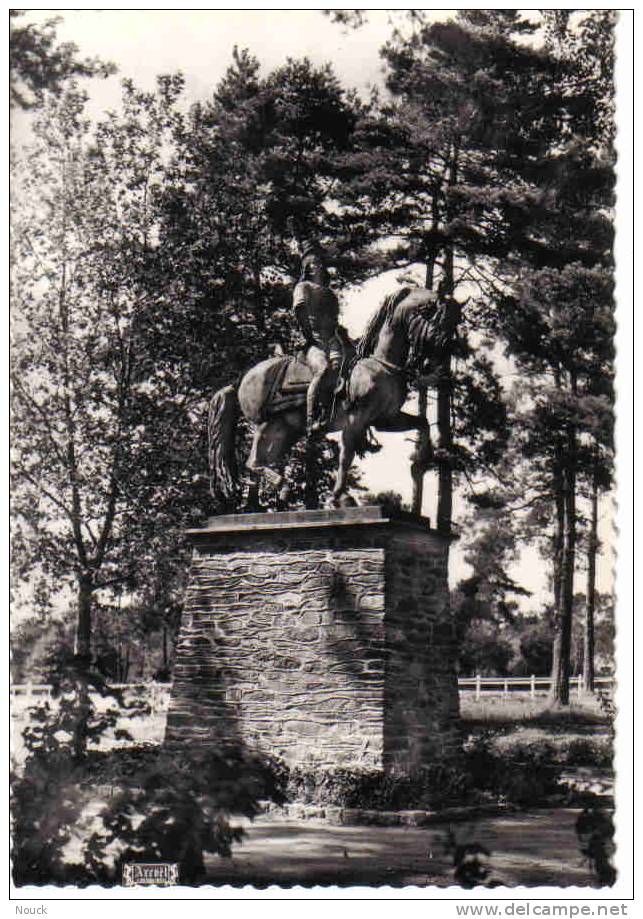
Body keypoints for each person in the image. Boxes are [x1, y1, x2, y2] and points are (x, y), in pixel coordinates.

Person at [292, 245, 350, 435]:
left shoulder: (329, 293)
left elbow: (334, 320)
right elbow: (300, 313)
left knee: (345, 368)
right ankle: (311, 419)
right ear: (306, 268)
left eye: (319, 263)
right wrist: (310, 337)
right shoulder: (303, 287)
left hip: (332, 339)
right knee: (322, 369)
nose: (317, 267)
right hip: (312, 341)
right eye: (312, 263)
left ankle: (344, 417)